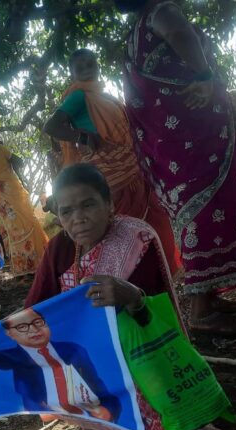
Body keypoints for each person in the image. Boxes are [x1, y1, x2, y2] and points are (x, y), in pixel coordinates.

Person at [0, 163, 236, 430]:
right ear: (58, 216)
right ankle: (95, 414)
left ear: (109, 205)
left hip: (136, 355)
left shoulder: (136, 239)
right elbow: (33, 311)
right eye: (67, 211)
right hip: (82, 357)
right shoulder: (59, 248)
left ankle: (140, 412)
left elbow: (156, 318)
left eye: (88, 205)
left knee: (169, 416)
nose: (78, 218)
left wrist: (131, 296)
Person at [120, 0, 236, 335]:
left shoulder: (138, 29)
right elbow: (181, 33)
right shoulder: (161, 12)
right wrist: (206, 75)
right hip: (194, 139)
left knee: (202, 210)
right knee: (204, 211)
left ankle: (209, 297)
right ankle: (201, 309)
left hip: (180, 142)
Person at [43, 48, 180, 275]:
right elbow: (52, 126)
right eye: (80, 67)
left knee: (150, 229)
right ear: (72, 73)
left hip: (133, 173)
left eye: (91, 64)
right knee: (123, 236)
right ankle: (126, 284)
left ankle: (154, 281)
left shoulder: (104, 97)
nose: (87, 70)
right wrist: (82, 136)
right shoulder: (79, 96)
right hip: (112, 179)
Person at [0, 307, 122, 421]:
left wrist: (108, 409)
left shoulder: (72, 349)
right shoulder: (12, 357)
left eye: (38, 322)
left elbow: (95, 382)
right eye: (22, 327)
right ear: (10, 334)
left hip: (87, 410)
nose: (34, 330)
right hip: (46, 412)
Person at [0, 125, 49, 276]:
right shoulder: (0, 149)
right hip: (15, 197)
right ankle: (41, 261)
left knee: (12, 235)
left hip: (1, 206)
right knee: (28, 225)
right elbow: (20, 162)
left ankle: (22, 267)